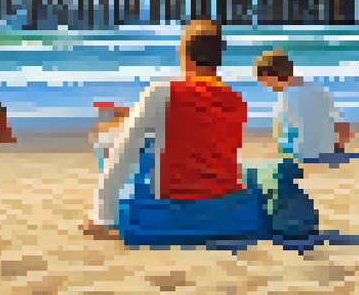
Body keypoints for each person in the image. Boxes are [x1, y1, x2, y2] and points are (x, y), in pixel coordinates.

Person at [81, 19, 263, 244]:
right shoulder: (237, 100)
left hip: (172, 213)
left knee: (107, 143)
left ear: (183, 54)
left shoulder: (162, 91)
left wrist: (102, 218)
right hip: (224, 209)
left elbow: (123, 154)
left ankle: (105, 219)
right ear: (219, 57)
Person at [255, 48, 351, 163]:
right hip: (328, 151)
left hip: (300, 155)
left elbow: (282, 138)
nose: (267, 86)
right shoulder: (319, 90)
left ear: (269, 76)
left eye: (265, 82)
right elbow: (343, 126)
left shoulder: (283, 100)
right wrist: (338, 147)